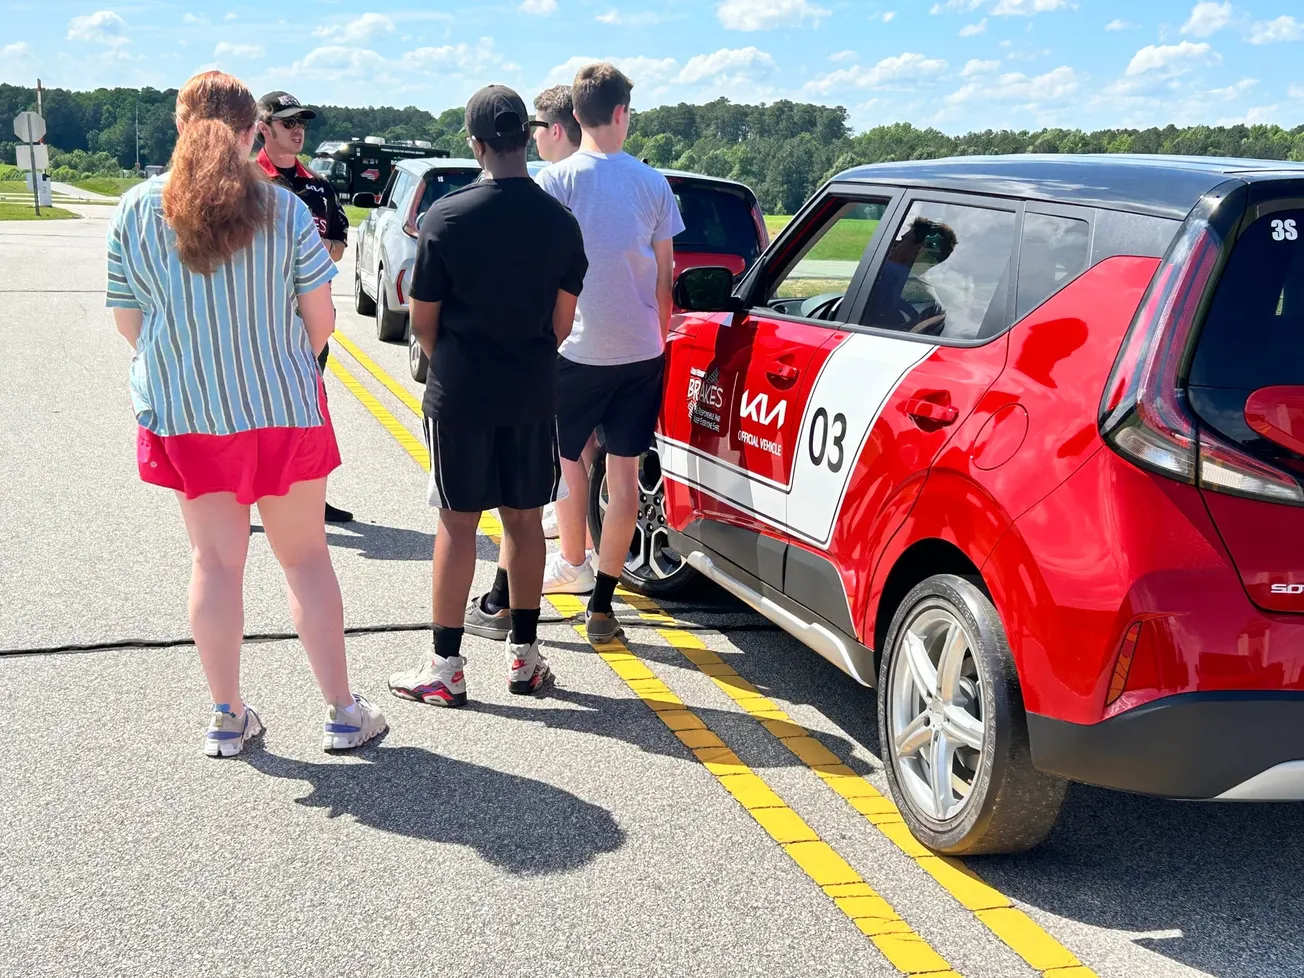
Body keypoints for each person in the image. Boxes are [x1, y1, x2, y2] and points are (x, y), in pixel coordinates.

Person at [105, 71, 386, 756]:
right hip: (282, 411)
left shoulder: (136, 211)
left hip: (189, 417)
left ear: (179, 126)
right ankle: (343, 713)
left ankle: (227, 716)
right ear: (251, 132)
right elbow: (321, 325)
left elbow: (127, 323)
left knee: (215, 563)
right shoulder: (285, 211)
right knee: (307, 559)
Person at [388, 84, 587, 708]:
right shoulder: (560, 222)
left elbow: (424, 319)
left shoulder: (446, 217)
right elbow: (562, 323)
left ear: (476, 144)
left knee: (457, 519)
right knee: (525, 521)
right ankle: (525, 658)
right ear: (527, 136)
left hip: (462, 391)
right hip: (531, 388)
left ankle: (446, 664)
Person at [534, 64, 684, 645]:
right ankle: (603, 604)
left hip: (576, 348)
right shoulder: (653, 184)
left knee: (567, 462)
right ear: (624, 112)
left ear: (574, 117)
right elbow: (666, 278)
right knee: (623, 479)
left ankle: (571, 559)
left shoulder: (557, 181)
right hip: (641, 351)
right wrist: (659, 337)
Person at [462, 83, 588, 643]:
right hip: (574, 359)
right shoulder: (574, 208)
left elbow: (426, 321)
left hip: (504, 373)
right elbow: (563, 316)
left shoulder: (554, 184)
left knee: (476, 514)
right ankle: (532, 637)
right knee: (537, 494)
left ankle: (487, 613)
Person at [255, 89, 355, 524]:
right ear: (263, 128)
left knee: (310, 407)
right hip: (258, 320)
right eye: (288, 123)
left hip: (309, 321)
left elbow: (337, 243)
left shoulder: (317, 185)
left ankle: (311, 493)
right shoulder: (245, 181)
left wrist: (306, 247)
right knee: (255, 408)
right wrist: (310, 248)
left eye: (302, 124)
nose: (298, 131)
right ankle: (248, 495)